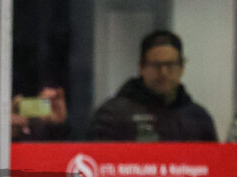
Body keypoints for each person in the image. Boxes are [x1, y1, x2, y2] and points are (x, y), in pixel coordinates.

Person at [88, 30, 217, 141]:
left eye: (170, 65)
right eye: (156, 65)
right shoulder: (113, 116)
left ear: (182, 67)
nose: (163, 72)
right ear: (142, 67)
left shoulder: (198, 118)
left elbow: (213, 160)